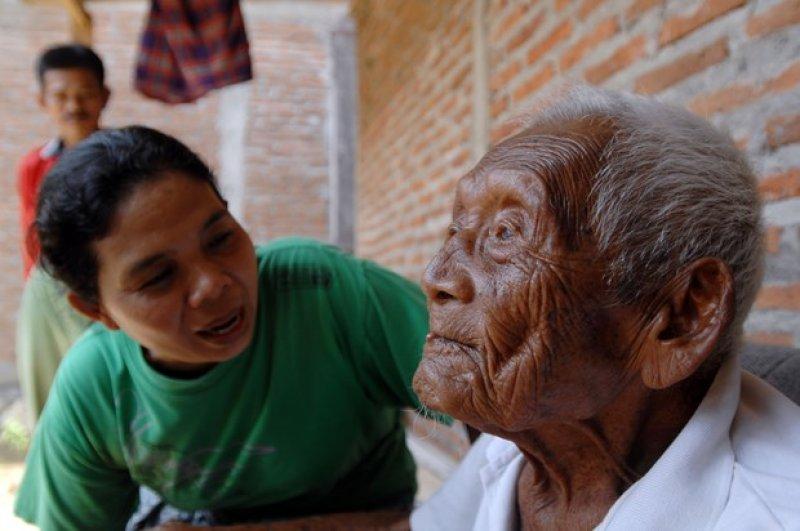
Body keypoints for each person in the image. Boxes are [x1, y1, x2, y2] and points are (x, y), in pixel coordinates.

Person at [411, 86, 800, 530]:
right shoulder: (534, 430)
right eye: (456, 228)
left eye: (506, 234)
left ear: (680, 316)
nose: (436, 276)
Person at [15, 126, 437, 530]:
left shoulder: (326, 292)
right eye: (158, 277)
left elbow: (498, 400)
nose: (213, 285)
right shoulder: (96, 386)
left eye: (220, 239)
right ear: (96, 310)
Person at [16, 43, 110, 427]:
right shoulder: (34, 166)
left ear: (104, 96)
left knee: (98, 392)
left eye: (85, 93)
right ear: (43, 100)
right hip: (52, 293)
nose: (74, 105)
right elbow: (33, 241)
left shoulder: (122, 157)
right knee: (53, 398)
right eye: (61, 95)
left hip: (105, 294)